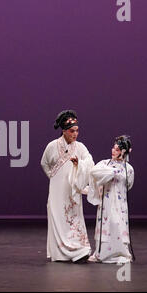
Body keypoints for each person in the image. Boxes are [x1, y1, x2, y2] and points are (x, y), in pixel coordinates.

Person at [40, 110, 94, 263]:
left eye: (77, 130)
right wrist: (53, 175)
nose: (75, 134)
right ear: (63, 131)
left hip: (72, 190)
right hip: (57, 190)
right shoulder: (52, 146)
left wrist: (80, 165)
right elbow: (44, 163)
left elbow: (90, 162)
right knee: (58, 217)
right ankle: (60, 253)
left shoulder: (80, 147)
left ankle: (79, 250)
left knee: (74, 217)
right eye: (72, 131)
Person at [87, 135, 135, 263]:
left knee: (118, 223)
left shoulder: (128, 169)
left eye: (118, 150)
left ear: (124, 152)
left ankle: (121, 252)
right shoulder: (104, 164)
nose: (114, 151)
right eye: (113, 149)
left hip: (120, 202)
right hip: (106, 202)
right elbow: (94, 172)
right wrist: (111, 172)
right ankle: (102, 253)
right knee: (108, 223)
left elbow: (129, 184)